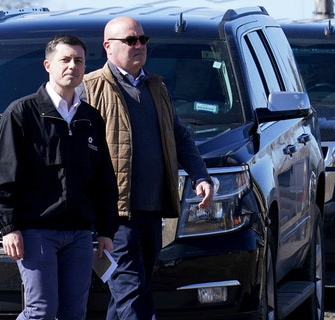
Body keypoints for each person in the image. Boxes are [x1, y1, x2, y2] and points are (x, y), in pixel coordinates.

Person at [82, 16, 214, 320]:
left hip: (152, 211)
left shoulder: (156, 86)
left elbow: (179, 135)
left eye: (143, 39)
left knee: (129, 295)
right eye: (130, 41)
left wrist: (200, 177)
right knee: (133, 296)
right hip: (114, 216)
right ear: (108, 47)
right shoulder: (90, 88)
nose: (139, 45)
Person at [0, 33, 119, 320]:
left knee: (73, 313)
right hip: (36, 232)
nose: (72, 65)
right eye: (65, 59)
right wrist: (9, 227)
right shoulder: (22, 114)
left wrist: (107, 231)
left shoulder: (91, 118)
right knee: (41, 311)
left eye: (79, 60)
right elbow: (1, 177)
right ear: (48, 65)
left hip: (80, 235)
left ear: (85, 68)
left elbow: (103, 180)